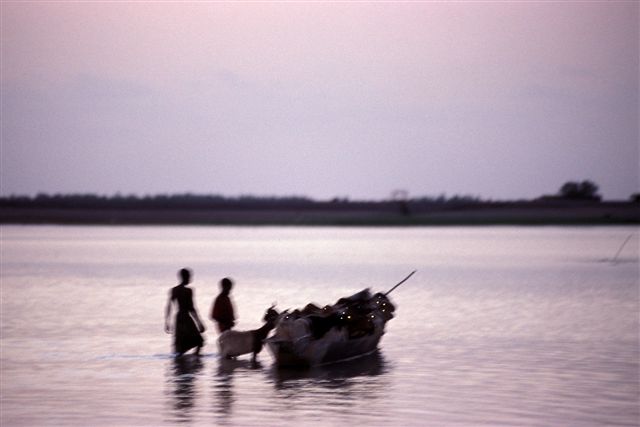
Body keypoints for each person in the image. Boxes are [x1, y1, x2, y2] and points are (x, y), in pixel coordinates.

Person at [165, 268, 206, 356]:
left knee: (182, 343)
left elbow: (169, 307)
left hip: (180, 317)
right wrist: (199, 322)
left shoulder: (175, 290)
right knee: (199, 341)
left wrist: (167, 321)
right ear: (185, 277)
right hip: (185, 317)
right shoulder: (188, 291)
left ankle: (184, 360)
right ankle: (194, 358)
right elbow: (192, 308)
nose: (190, 279)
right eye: (189, 277)